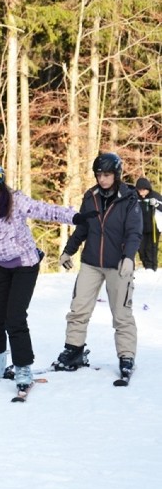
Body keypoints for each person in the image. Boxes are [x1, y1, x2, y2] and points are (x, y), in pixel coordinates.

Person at [0, 161, 97, 392]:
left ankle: (23, 366)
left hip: (25, 264)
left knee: (14, 317)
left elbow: (45, 210)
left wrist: (75, 217)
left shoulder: (16, 201)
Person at [54, 153, 142, 381]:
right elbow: (82, 228)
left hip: (118, 264)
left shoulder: (129, 198)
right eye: (99, 175)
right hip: (91, 262)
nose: (102, 179)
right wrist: (68, 250)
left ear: (117, 174)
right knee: (78, 308)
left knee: (121, 314)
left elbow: (134, 231)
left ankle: (126, 356)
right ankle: (74, 350)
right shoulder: (90, 197)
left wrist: (129, 257)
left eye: (107, 175)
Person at [134, 177, 162, 271]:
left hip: (153, 228)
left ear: (147, 189)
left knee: (151, 249)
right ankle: (146, 266)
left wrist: (156, 204)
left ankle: (152, 268)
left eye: (143, 190)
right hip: (140, 228)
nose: (141, 193)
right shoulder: (135, 197)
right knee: (141, 250)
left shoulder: (155, 196)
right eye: (139, 190)